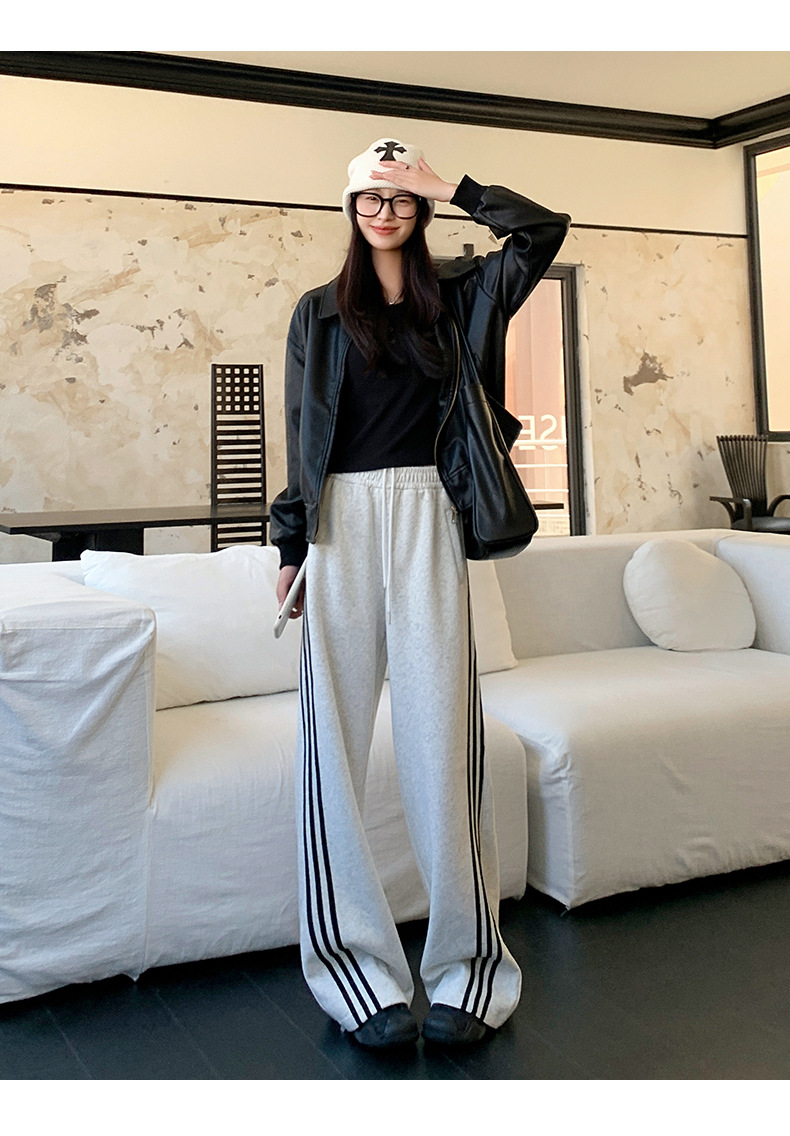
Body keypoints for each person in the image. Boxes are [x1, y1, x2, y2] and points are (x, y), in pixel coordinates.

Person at [270, 138, 570, 1050]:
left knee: (445, 739)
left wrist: (449, 183)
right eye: (370, 197)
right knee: (333, 746)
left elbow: (541, 231)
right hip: (340, 523)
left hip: (430, 512)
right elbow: (302, 432)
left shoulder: (465, 294)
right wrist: (291, 543)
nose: (386, 211)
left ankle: (469, 968)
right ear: (350, 210)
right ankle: (352, 972)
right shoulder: (319, 312)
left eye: (401, 198)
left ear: (421, 209)